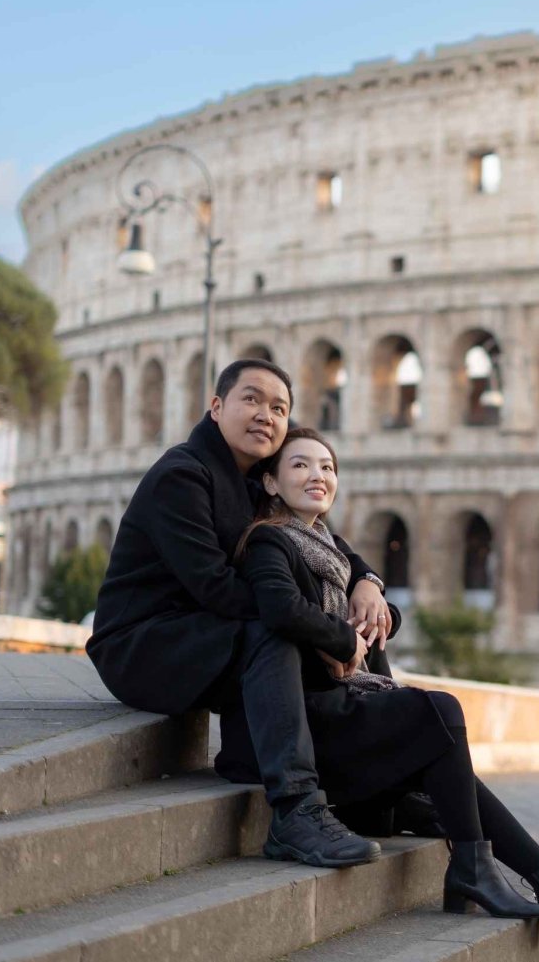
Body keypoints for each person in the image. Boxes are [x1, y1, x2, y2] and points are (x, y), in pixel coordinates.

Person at [237, 426, 539, 942]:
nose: (318, 475)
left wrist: (372, 590)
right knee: (440, 712)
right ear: (271, 483)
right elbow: (280, 607)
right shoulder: (268, 540)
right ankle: (500, 875)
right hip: (307, 722)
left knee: (441, 739)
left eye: (328, 466)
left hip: (344, 710)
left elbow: (379, 625)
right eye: (300, 465)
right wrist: (344, 637)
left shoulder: (332, 549)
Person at [88, 359, 392, 869]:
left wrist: (367, 582)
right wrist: (321, 631)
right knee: (276, 633)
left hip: (208, 639)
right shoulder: (181, 476)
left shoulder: (255, 483)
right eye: (251, 399)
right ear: (216, 406)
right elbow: (217, 589)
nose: (265, 416)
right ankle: (295, 811)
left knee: (357, 621)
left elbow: (326, 542)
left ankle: (385, 784)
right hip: (143, 647)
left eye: (279, 408)